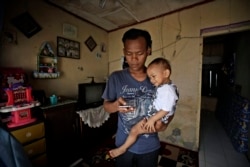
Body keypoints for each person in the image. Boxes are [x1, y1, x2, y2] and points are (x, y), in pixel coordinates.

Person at [102, 28, 175, 167]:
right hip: (123, 143)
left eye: (140, 53)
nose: (134, 59)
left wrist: (164, 124)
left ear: (149, 50)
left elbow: (170, 108)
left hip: (149, 147)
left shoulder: (158, 80)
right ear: (124, 52)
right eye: (129, 54)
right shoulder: (116, 78)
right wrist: (116, 105)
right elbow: (107, 107)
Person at [108, 57, 179, 158]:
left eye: (154, 76)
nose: (152, 80)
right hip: (154, 117)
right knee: (134, 130)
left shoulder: (168, 90)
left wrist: (152, 120)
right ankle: (123, 148)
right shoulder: (164, 87)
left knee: (134, 131)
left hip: (156, 119)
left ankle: (122, 149)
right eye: (150, 77)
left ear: (166, 73)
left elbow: (166, 110)